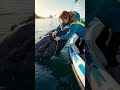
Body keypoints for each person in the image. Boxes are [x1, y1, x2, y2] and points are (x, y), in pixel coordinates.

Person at [86, 0, 120, 67]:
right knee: (99, 41)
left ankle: (114, 65)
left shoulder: (93, 2)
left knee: (111, 49)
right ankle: (113, 63)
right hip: (111, 20)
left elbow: (88, 17)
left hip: (117, 21)